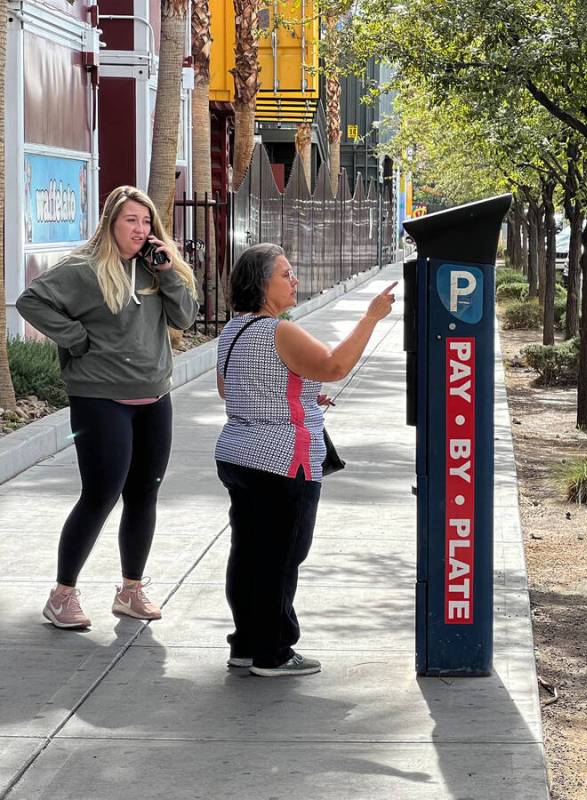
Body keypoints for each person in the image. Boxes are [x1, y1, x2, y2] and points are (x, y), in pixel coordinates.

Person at [16, 185, 200, 630]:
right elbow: (31, 301)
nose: (139, 230)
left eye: (145, 222)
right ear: (110, 224)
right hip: (100, 399)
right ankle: (62, 595)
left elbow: (186, 318)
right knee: (101, 495)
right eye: (130, 221)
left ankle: (131, 591)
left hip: (154, 395)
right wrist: (77, 339)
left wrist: (170, 271)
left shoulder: (155, 268)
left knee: (144, 494)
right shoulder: (83, 269)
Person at [215, 243, 396, 677]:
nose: (293, 280)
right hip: (283, 463)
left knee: (249, 552)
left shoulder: (233, 332)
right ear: (261, 285)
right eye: (285, 273)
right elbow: (334, 365)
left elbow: (231, 390)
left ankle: (245, 643)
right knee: (282, 556)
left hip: (240, 458)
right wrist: (371, 317)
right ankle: (273, 652)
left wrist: (295, 395)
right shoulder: (280, 331)